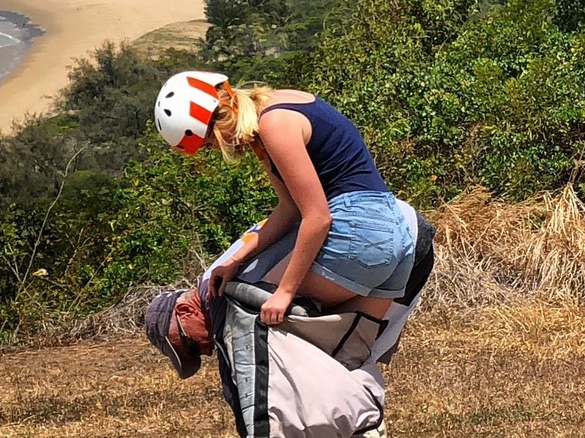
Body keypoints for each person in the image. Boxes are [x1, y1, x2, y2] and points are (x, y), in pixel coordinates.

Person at [154, 70, 415, 327]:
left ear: (216, 124)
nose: (217, 151)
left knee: (249, 306)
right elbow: (288, 210)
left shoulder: (274, 125)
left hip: (359, 233)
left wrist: (285, 291)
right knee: (347, 355)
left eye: (209, 144)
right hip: (395, 234)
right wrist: (235, 260)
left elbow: (317, 217)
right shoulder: (275, 108)